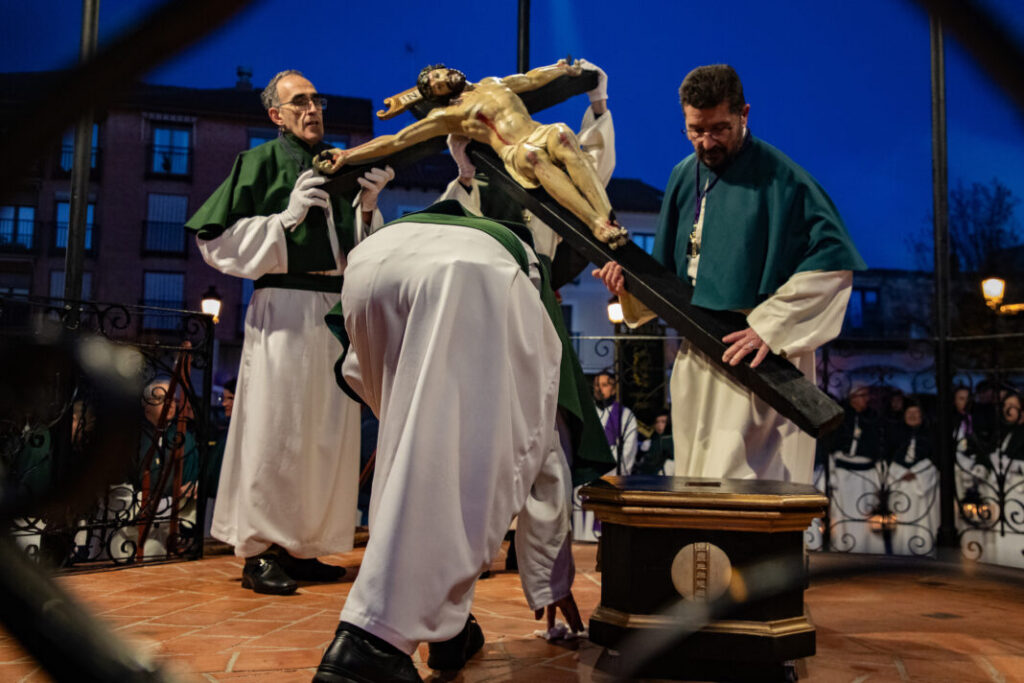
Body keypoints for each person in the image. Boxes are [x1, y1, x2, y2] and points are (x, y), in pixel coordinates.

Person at [314, 202, 584, 682]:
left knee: (416, 453)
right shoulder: (529, 286)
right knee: (476, 469)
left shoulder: (466, 232)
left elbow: (356, 372)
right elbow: (547, 446)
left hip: (369, 263)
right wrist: (551, 578)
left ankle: (447, 628)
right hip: (467, 277)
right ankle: (371, 641)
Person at [593, 64, 865, 485]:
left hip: (757, 357)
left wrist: (769, 326)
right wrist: (628, 283)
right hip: (697, 353)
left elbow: (831, 264)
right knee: (697, 476)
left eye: (719, 128)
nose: (706, 141)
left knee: (743, 481)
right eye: (695, 130)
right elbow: (668, 275)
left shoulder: (782, 178)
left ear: (744, 114)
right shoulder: (685, 174)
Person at [184, 69, 395, 595]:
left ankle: (303, 546)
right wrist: (284, 220)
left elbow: (364, 255)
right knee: (274, 430)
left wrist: (368, 210)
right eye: (298, 102)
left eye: (316, 100)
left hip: (335, 309)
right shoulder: (256, 163)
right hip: (282, 308)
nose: (312, 110)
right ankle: (259, 552)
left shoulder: (343, 165)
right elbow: (214, 240)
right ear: (275, 115)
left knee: (326, 434)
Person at [314, 60, 629, 248]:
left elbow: (531, 79)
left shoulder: (493, 83)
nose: (439, 80)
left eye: (439, 73)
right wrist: (348, 155)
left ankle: (606, 216)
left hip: (537, 130)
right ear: (439, 97)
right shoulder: (450, 115)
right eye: (434, 84)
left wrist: (562, 70)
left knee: (561, 131)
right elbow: (397, 141)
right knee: (535, 156)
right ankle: (596, 224)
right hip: (516, 150)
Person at [635, 409, 674, 475]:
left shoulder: (669, 439)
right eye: (657, 422)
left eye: (663, 422)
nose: (659, 425)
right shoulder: (653, 437)